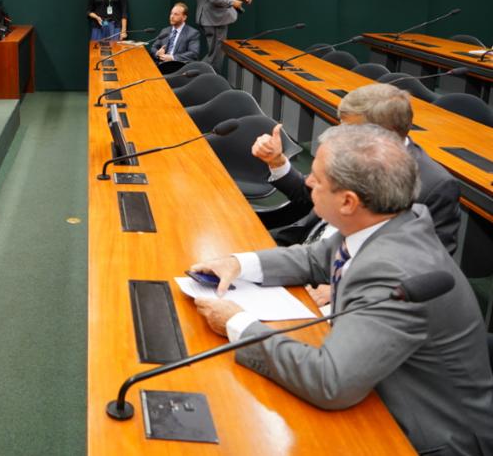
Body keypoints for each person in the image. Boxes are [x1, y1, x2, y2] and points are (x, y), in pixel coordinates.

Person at [192, 124, 493, 455]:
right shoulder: (390, 220)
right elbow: (315, 257)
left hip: (426, 436)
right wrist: (237, 264)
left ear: (349, 201)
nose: (307, 181)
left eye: (317, 179)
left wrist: (237, 324)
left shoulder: (393, 271)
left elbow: (330, 382)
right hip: (375, 386)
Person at [252, 84, 461, 267]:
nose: (341, 134)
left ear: (385, 133)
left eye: (350, 129)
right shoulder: (352, 147)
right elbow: (310, 194)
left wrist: (340, 282)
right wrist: (277, 161)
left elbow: (429, 264)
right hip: (306, 249)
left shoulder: (435, 185)